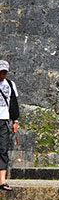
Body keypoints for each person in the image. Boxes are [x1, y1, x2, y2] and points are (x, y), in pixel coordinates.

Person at [0, 60, 20, 191]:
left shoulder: (10, 85)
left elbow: (13, 104)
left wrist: (15, 121)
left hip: (4, 120)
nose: (2, 75)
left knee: (2, 150)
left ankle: (2, 181)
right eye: (0, 72)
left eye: (4, 72)